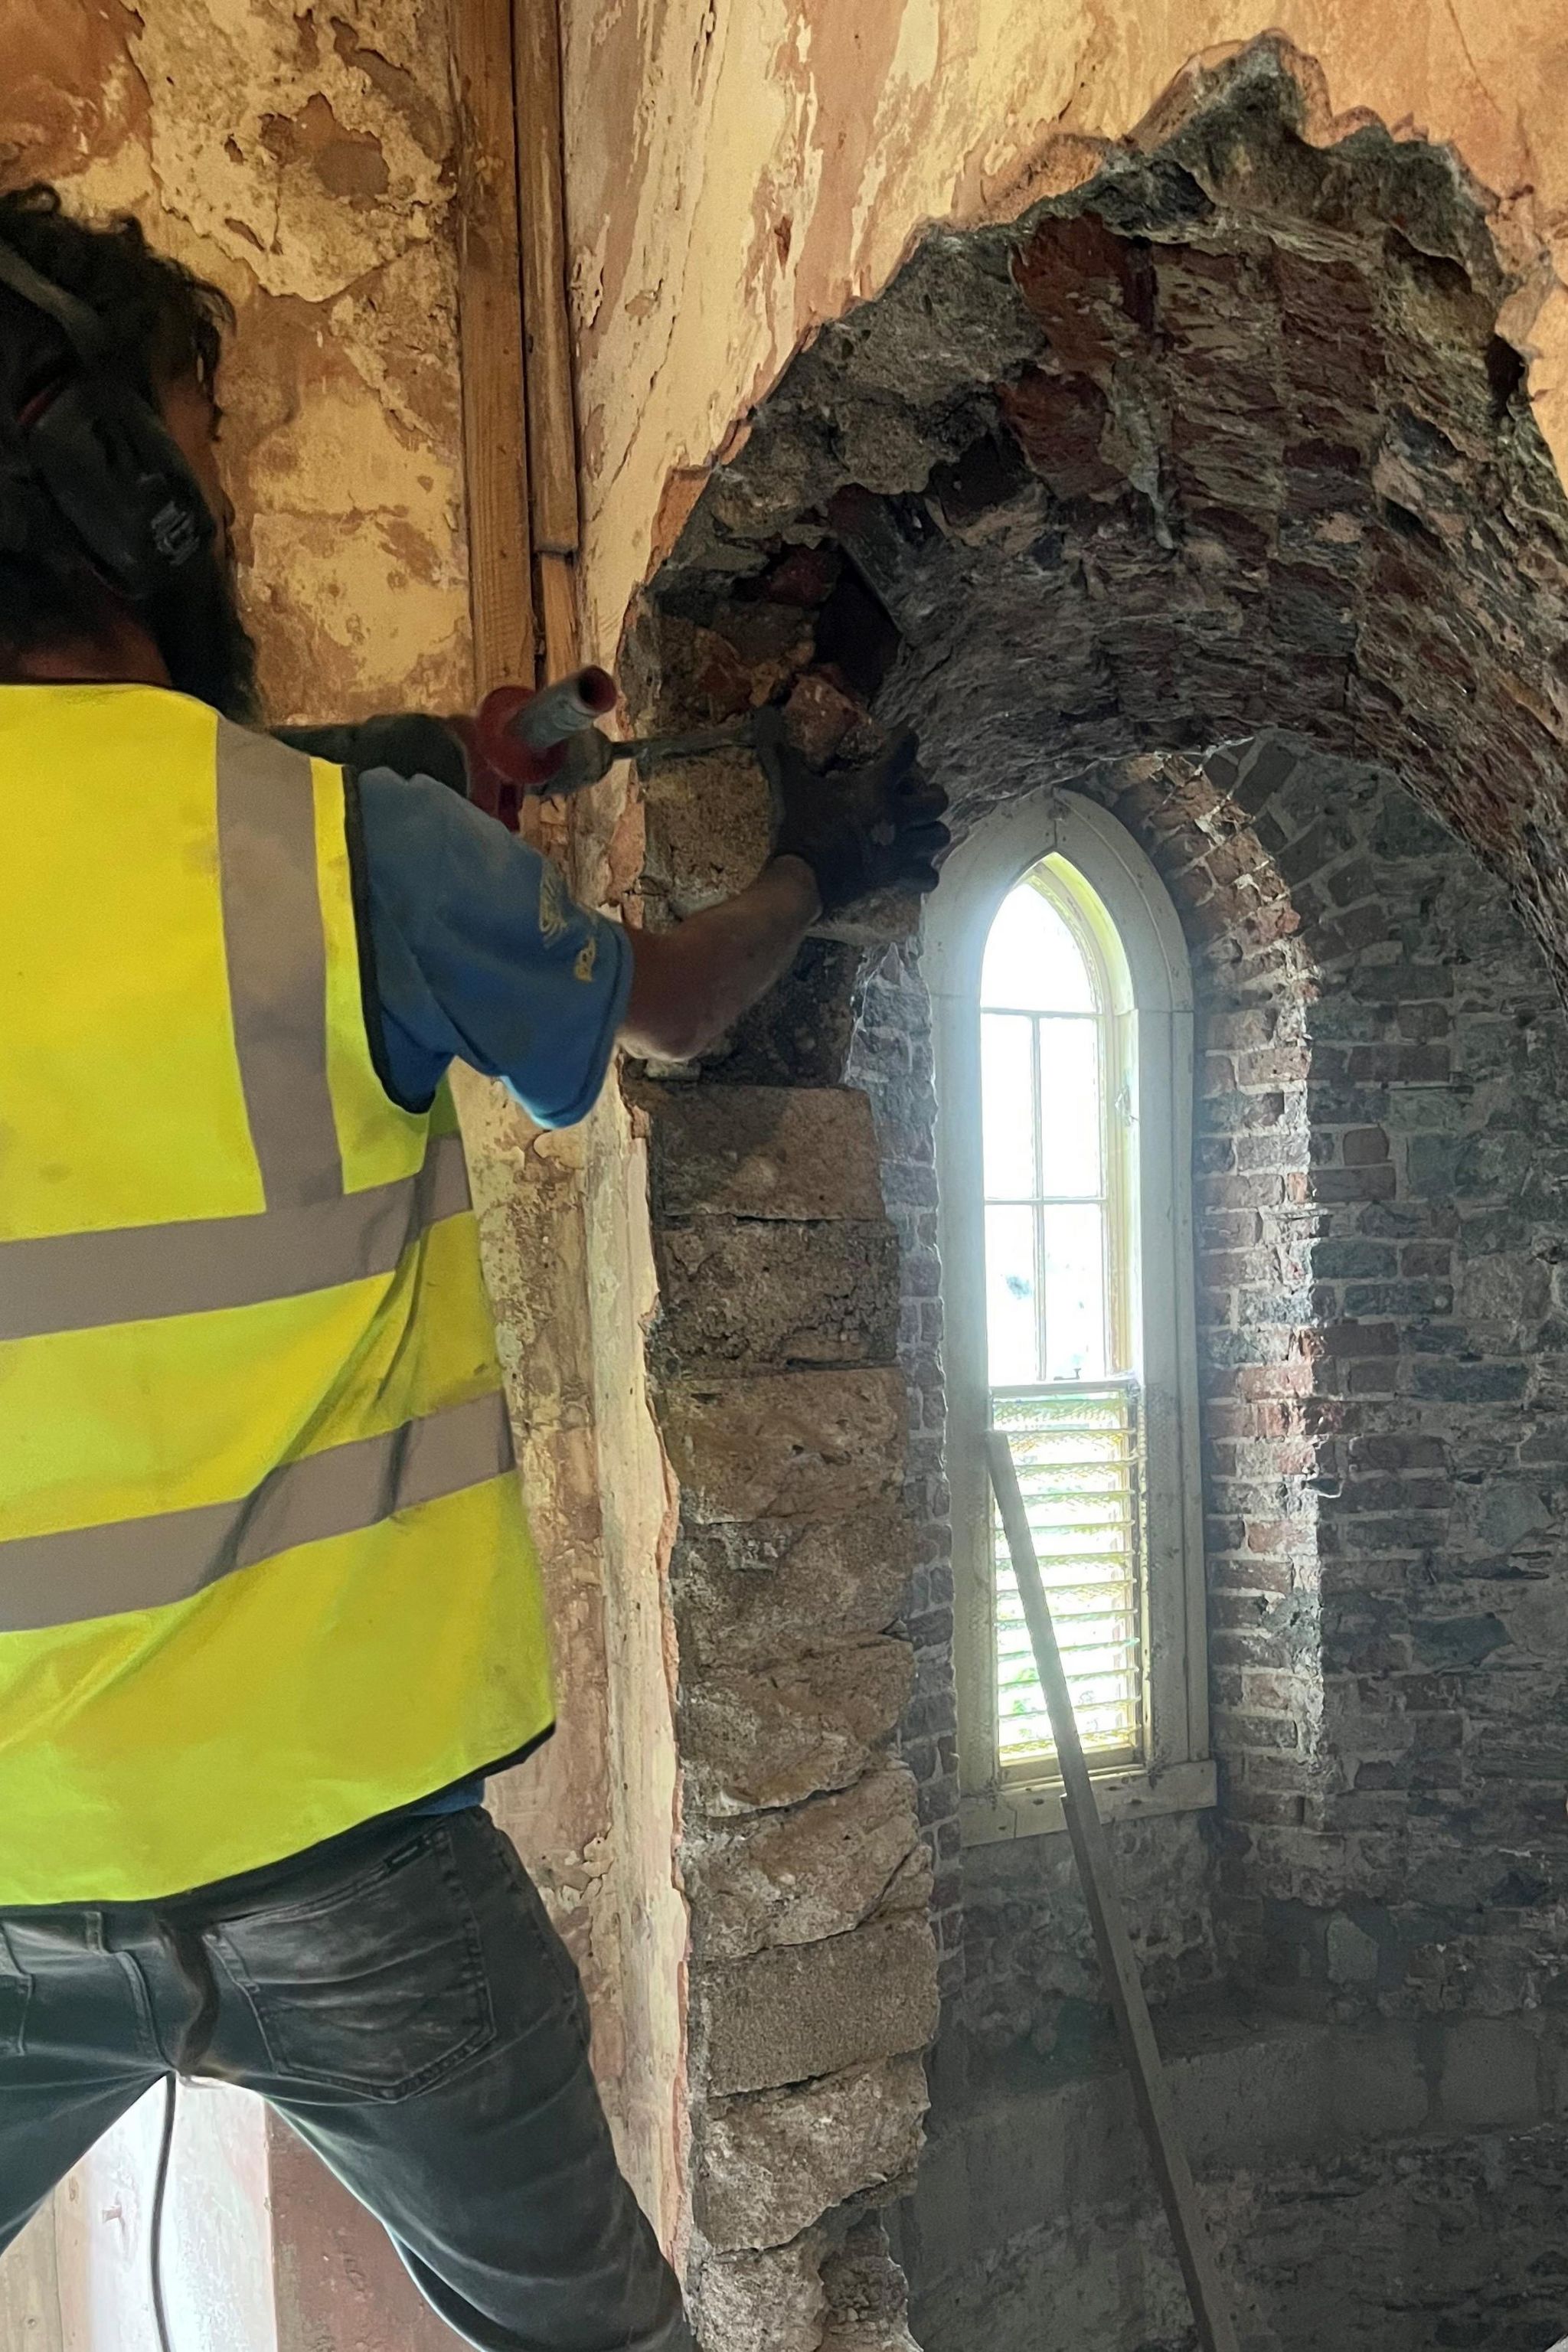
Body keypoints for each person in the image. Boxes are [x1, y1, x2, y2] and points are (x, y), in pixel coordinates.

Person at [0, 184, 948, 2351]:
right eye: (201, 448)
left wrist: (466, 776)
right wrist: (824, 864)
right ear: (120, 493)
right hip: (355, 1859)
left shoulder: (343, 828)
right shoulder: (337, 859)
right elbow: (683, 1004)